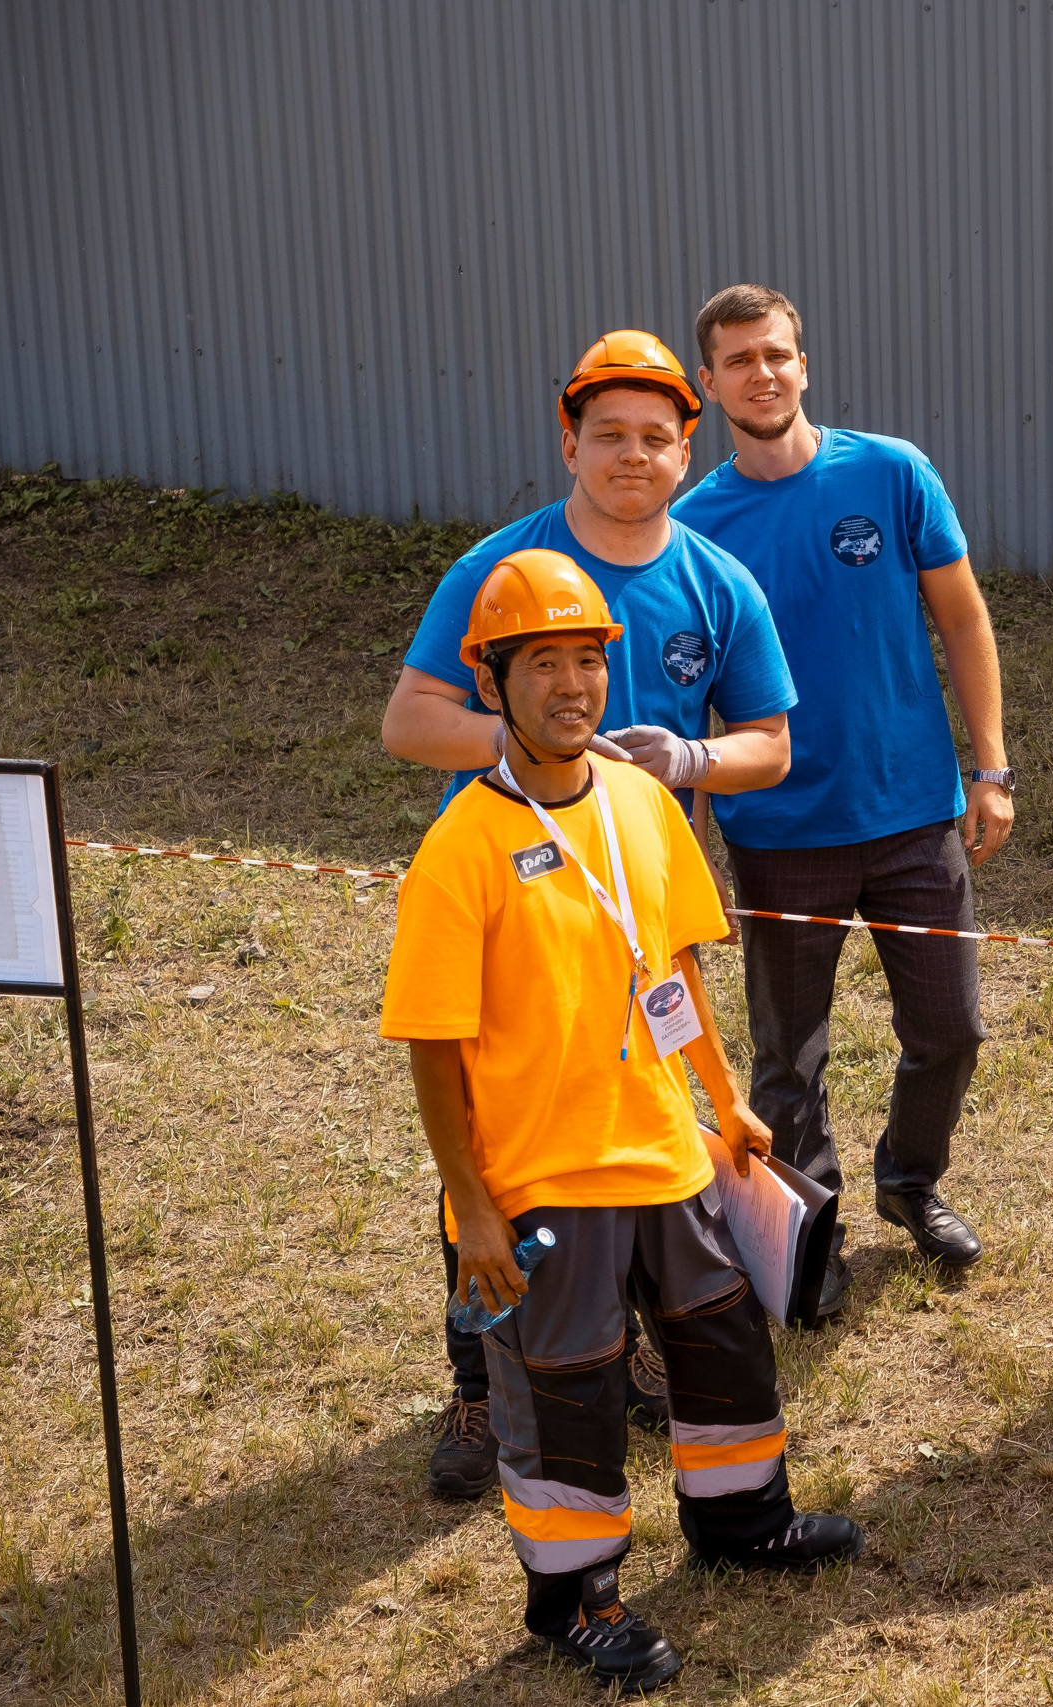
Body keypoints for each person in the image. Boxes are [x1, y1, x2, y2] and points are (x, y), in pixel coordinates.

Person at [380, 553, 858, 1696]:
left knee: (722, 1340)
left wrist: (725, 1094)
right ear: (491, 685)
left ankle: (742, 1521)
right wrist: (475, 1208)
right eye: (541, 664)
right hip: (542, 1181)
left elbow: (673, 963)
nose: (572, 685)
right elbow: (433, 1050)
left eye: (587, 660)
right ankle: (574, 1600)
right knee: (569, 1390)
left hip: (662, 1150)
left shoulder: (644, 800)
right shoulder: (460, 852)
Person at [381, 329, 797, 1501]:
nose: (631, 456)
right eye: (607, 434)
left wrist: (690, 757)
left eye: (655, 438)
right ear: (569, 439)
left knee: (649, 1128)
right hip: (519, 904)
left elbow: (773, 742)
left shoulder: (717, 580)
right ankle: (481, 1369)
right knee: (499, 1132)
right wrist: (545, 752)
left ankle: (637, 1347)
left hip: (645, 897)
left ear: (685, 450)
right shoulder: (500, 568)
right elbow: (409, 722)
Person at [670, 283, 1012, 1292]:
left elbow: (963, 619)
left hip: (915, 813)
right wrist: (689, 847)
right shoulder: (695, 526)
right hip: (780, 827)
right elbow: (689, 709)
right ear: (709, 384)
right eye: (739, 361)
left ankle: (911, 1181)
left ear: (803, 364)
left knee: (952, 1030)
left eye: (776, 354)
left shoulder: (893, 472)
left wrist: (988, 768)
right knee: (789, 1060)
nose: (762, 373)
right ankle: (808, 1236)